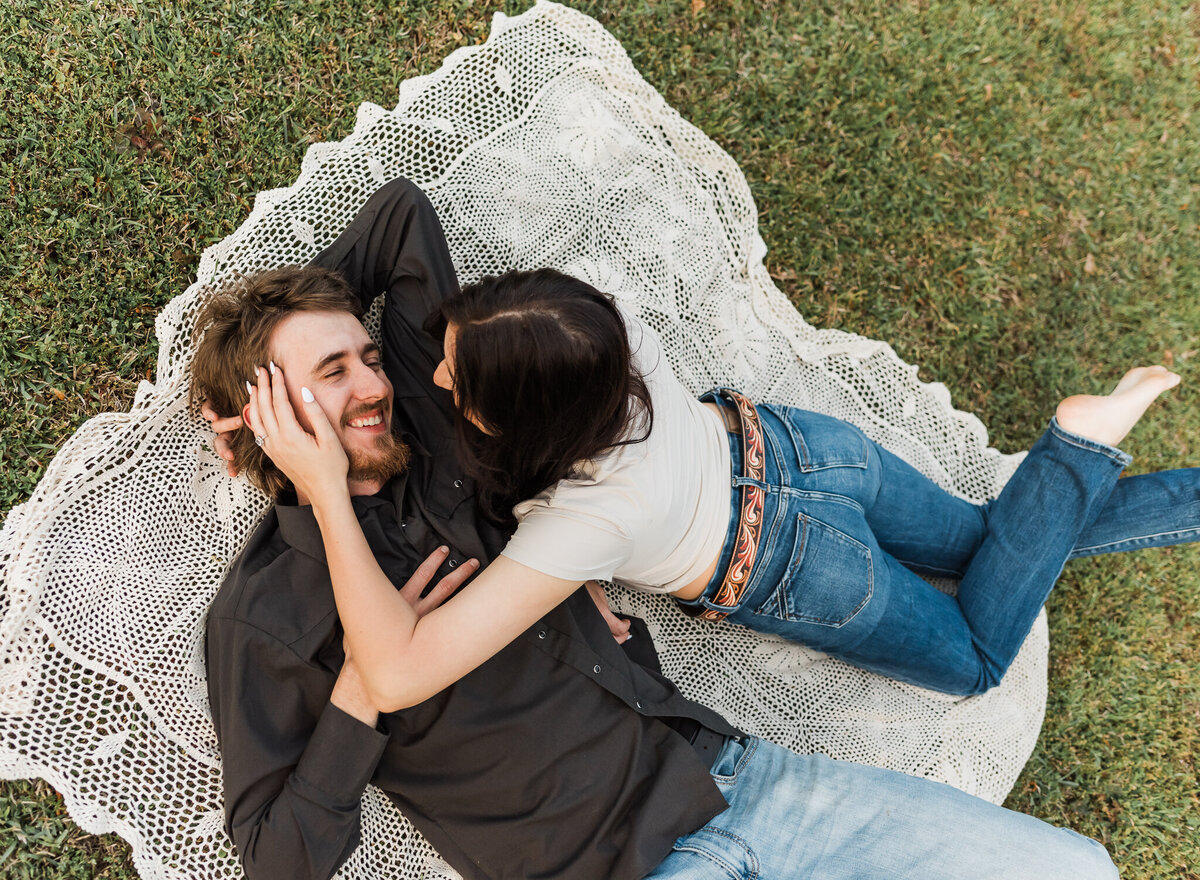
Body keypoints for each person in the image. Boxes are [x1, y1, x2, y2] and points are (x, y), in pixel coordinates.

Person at [197, 177, 1119, 879]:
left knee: (1077, 869)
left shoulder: (437, 427)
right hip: (615, 868)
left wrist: (291, 329)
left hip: (739, 779)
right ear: (261, 415)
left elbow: (401, 217)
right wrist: (360, 693)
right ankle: (1081, 462)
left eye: (366, 355)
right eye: (333, 373)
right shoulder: (264, 614)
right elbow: (279, 858)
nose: (375, 383)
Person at [395, 267, 1200, 696]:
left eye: (459, 377)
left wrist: (327, 493)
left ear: (533, 418)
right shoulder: (593, 329)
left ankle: (1075, 449)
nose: (436, 377)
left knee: (977, 662)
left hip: (801, 564)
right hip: (806, 448)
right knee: (991, 545)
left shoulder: (583, 524)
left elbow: (407, 675)